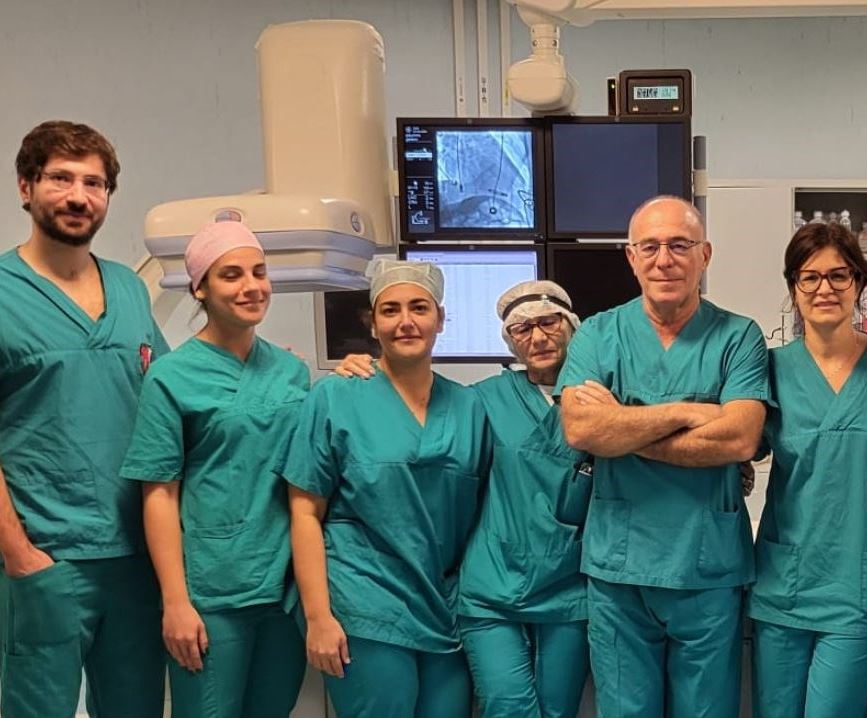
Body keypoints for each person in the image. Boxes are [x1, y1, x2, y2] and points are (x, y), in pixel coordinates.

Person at [557, 196, 770, 718]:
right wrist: (688, 412)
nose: (664, 259)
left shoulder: (738, 336)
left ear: (705, 255)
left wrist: (622, 425)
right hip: (620, 570)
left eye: (680, 245)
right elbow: (581, 428)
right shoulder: (598, 334)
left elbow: (739, 439)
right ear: (631, 258)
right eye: (649, 247)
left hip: (707, 568)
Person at [0, 120, 167, 718]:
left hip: (137, 556)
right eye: (61, 179)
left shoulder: (129, 289)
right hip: (46, 555)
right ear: (26, 187)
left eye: (93, 183)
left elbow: (174, 394)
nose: (78, 196)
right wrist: (19, 554)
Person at [118, 221, 309, 717]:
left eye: (259, 272)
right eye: (231, 275)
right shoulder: (171, 377)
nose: (251, 286)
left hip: (286, 591)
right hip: (212, 594)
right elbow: (159, 493)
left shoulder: (292, 372)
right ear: (200, 288)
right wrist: (175, 602)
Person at [283, 258, 488, 718]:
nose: (405, 321)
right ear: (372, 324)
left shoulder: (470, 407)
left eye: (419, 308)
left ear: (440, 319)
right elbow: (304, 512)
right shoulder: (336, 396)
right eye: (390, 310)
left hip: (444, 606)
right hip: (364, 601)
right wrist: (318, 617)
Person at [748, 221, 867, 718]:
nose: (825, 288)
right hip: (784, 584)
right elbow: (739, 446)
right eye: (810, 277)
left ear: (860, 283)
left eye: (839, 275)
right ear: (793, 287)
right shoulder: (769, 369)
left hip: (863, 586)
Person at [457, 280, 592, 718]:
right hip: (493, 584)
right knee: (508, 706)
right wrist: (364, 369)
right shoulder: (482, 400)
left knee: (558, 710)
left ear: (572, 326)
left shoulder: (599, 399)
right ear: (510, 341)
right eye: (522, 329)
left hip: (569, 587)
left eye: (548, 322)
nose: (538, 337)